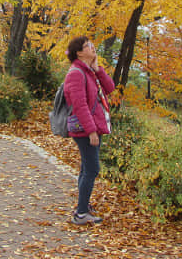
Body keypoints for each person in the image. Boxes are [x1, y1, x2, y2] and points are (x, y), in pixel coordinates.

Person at [64, 35, 115, 225]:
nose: (93, 48)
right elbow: (80, 105)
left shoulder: (88, 71)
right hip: (85, 129)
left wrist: (97, 69)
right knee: (92, 169)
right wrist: (91, 131)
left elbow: (110, 88)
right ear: (79, 52)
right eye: (88, 46)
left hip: (93, 126)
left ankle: (82, 206)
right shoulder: (76, 73)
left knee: (87, 168)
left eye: (92, 45)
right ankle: (81, 213)